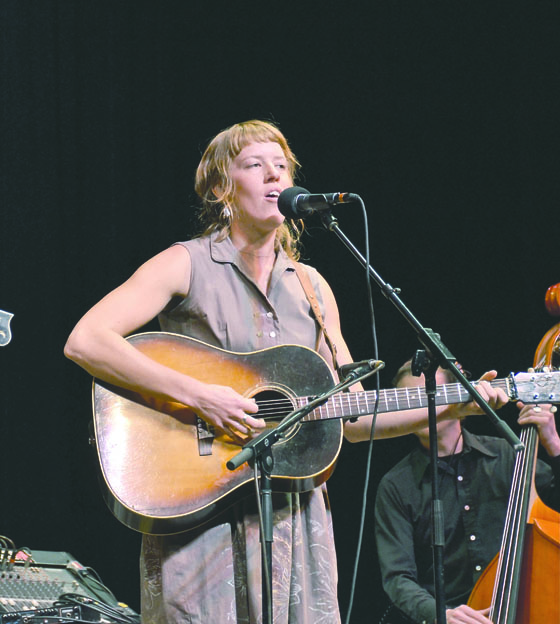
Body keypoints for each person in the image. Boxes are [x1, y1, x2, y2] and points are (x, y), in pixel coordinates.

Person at [63, 119, 506, 623]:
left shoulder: (313, 288)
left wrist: (451, 406)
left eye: (282, 167)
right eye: (255, 165)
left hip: (295, 518)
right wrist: (201, 396)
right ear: (220, 186)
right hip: (201, 504)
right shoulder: (184, 264)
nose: (275, 177)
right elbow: (87, 340)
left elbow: (352, 418)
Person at [374, 361, 560, 624]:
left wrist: (554, 444)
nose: (423, 407)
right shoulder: (395, 486)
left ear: (460, 399)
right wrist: (441, 615)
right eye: (410, 400)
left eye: (432, 395)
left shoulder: (508, 454)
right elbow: (398, 578)